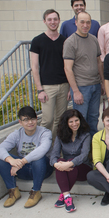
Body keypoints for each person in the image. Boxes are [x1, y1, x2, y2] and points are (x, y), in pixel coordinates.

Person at [0, 106, 53, 208]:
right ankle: (13, 191)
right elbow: (0, 149)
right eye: (26, 120)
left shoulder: (45, 132)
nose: (30, 122)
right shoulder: (17, 134)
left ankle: (36, 192)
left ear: (36, 118)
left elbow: (42, 150)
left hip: (42, 169)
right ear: (20, 122)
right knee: (2, 159)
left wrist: (20, 162)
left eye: (32, 119)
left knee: (38, 158)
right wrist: (11, 160)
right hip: (24, 170)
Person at [63, 11, 104, 137]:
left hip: (95, 85)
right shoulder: (70, 42)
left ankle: (93, 146)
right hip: (81, 87)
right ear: (76, 22)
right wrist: (75, 91)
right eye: (82, 22)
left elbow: (98, 62)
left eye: (88, 22)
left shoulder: (93, 40)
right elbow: (68, 68)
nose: (85, 25)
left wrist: (102, 82)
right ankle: (82, 149)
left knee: (94, 118)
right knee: (81, 119)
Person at [30, 9, 69, 140]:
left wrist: (70, 87)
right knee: (47, 120)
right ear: (45, 21)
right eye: (50, 19)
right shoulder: (37, 41)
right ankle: (41, 145)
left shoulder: (65, 41)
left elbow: (68, 66)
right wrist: (39, 89)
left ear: (59, 21)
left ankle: (54, 147)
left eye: (55, 19)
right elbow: (34, 67)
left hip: (64, 85)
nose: (53, 22)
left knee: (60, 120)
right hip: (47, 87)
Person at [49, 109, 92, 213]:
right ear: (66, 123)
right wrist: (56, 164)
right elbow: (54, 155)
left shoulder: (85, 135)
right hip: (67, 169)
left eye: (76, 120)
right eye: (71, 122)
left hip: (83, 168)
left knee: (70, 160)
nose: (74, 124)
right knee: (59, 160)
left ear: (80, 120)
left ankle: (63, 195)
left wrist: (70, 163)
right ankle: (67, 196)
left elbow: (84, 155)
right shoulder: (60, 135)